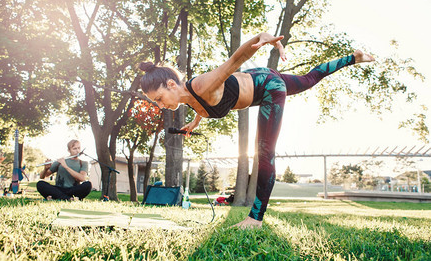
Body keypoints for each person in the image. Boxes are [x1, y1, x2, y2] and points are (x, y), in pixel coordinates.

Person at [139, 32, 375, 228]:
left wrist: (261, 39)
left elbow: (235, 60)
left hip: (268, 87)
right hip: (257, 78)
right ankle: (354, 58)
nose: (160, 106)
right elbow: (202, 105)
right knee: (308, 79)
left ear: (171, 84)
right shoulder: (189, 98)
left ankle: (255, 218)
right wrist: (195, 122)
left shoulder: (202, 84)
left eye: (159, 98)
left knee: (263, 151)